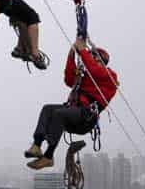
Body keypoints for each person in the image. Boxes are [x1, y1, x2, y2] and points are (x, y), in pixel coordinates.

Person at [24, 37, 118, 169]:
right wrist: (71, 54)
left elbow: (95, 71)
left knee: (59, 114)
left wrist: (82, 50)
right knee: (48, 109)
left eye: (94, 57)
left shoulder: (109, 76)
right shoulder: (87, 77)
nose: (90, 60)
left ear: (101, 60)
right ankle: (37, 145)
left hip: (86, 117)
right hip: (74, 113)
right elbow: (69, 79)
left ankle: (48, 156)